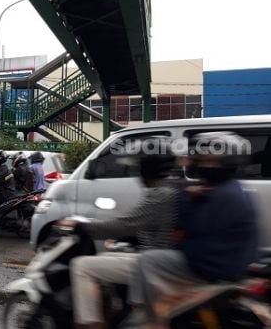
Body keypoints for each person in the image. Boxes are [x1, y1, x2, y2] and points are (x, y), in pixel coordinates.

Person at [129, 131, 258, 329]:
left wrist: (186, 199)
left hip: (210, 266)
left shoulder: (219, 195)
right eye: (203, 160)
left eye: (210, 162)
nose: (203, 165)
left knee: (147, 260)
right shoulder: (229, 189)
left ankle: (154, 321)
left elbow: (190, 228)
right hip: (226, 263)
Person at [56, 150, 180, 329]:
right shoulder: (171, 190)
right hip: (158, 257)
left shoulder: (160, 194)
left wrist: (81, 226)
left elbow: (125, 224)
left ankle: (91, 324)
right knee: (103, 257)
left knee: (82, 266)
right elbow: (144, 224)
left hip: (153, 262)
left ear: (147, 171)